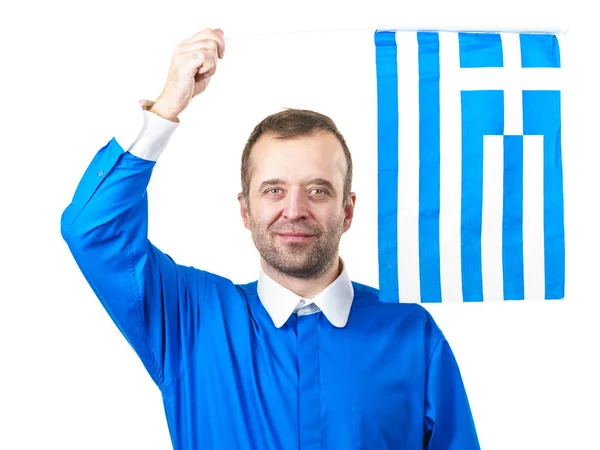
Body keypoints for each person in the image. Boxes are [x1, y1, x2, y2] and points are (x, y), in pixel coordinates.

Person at [61, 28, 480, 450]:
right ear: (245, 209)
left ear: (347, 210)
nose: (294, 210)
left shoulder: (410, 332)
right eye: (273, 190)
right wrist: (166, 107)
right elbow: (93, 229)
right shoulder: (190, 318)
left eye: (317, 191)